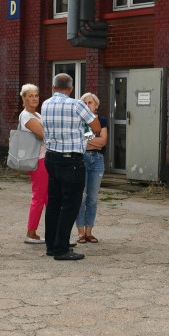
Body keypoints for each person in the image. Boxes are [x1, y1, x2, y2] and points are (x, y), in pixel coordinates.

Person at [41, 73, 101, 261]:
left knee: (54, 203)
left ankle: (51, 245)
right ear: (71, 88)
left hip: (51, 157)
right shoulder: (77, 104)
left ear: (53, 87)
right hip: (71, 160)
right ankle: (61, 248)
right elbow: (96, 126)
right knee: (71, 204)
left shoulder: (45, 104)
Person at [76, 92, 108, 244]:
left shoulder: (101, 120)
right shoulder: (78, 120)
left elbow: (103, 142)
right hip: (81, 159)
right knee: (81, 197)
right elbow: (78, 142)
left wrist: (86, 140)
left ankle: (90, 232)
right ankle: (80, 232)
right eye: (85, 103)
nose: (88, 105)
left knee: (92, 198)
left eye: (90, 102)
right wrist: (94, 140)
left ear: (96, 106)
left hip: (97, 160)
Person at [19, 84, 47, 244]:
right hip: (38, 160)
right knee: (39, 196)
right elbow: (44, 135)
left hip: (43, 158)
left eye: (36, 95)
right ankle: (31, 233)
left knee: (47, 197)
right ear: (23, 98)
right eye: (30, 95)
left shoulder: (36, 114)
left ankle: (52, 232)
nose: (34, 98)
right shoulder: (26, 116)